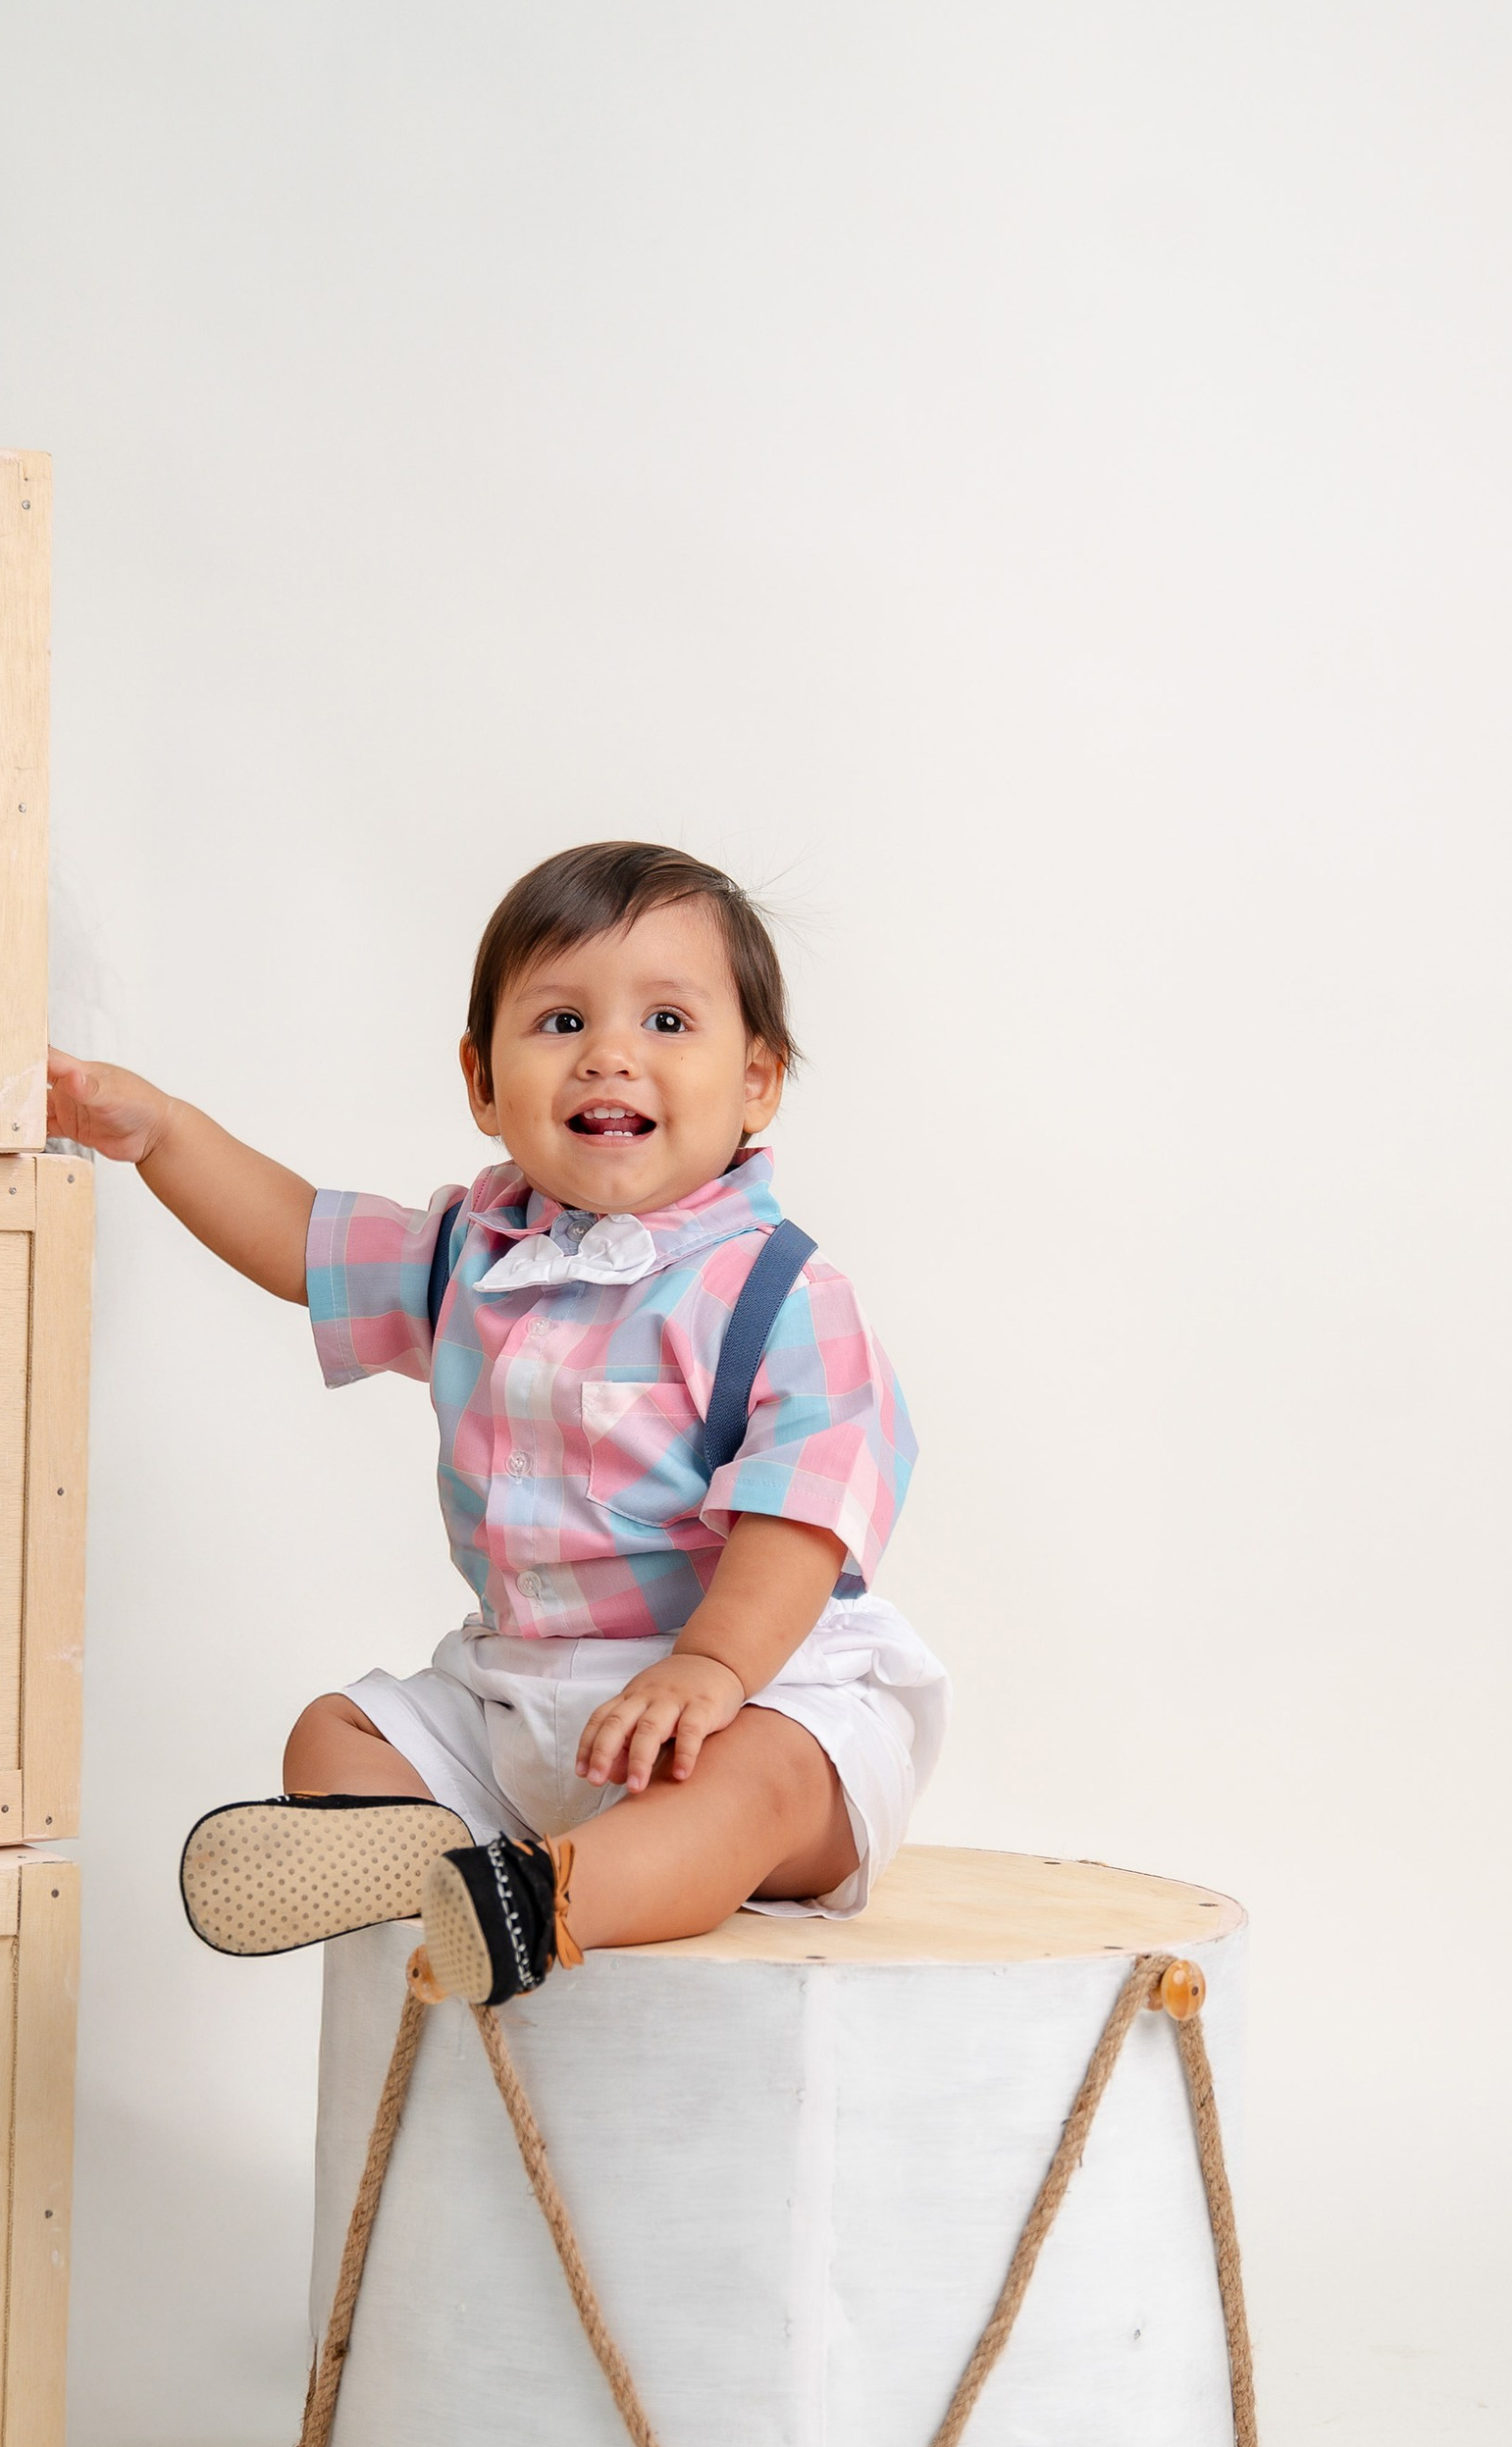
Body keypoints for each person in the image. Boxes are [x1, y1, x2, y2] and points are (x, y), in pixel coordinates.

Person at [50, 840, 946, 2006]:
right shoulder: (472, 1259)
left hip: (752, 1694)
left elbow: (801, 1520)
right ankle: (447, 1865)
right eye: (560, 1022)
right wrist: (161, 1134)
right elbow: (299, 1239)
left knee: (758, 1786)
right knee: (334, 1737)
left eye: (668, 1023)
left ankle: (549, 1902)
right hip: (523, 1698)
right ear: (482, 1081)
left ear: (758, 1080)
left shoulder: (778, 1297)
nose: (610, 1054)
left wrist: (711, 1670)